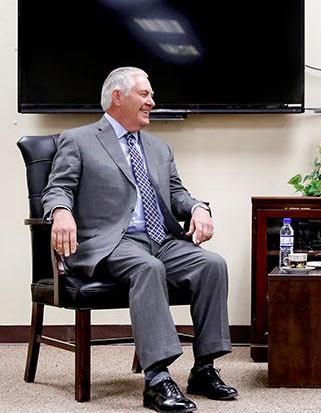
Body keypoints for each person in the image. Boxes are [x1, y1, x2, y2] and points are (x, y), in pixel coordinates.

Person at [43, 66, 237, 412]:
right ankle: (158, 380)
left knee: (211, 264)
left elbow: (177, 193)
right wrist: (60, 211)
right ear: (117, 97)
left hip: (160, 239)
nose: (152, 101)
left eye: (150, 95)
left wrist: (198, 209)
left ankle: (204, 368)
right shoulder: (79, 139)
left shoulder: (159, 147)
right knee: (147, 268)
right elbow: (58, 187)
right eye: (144, 94)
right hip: (111, 242)